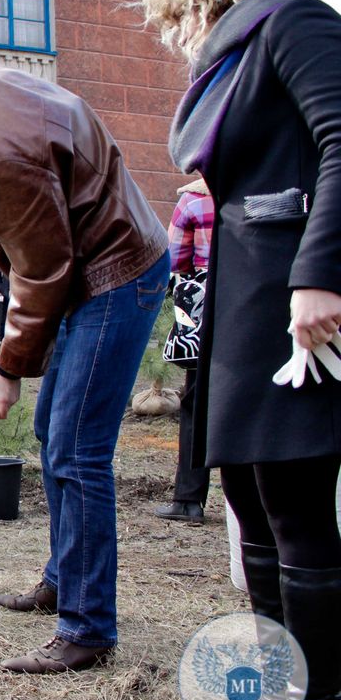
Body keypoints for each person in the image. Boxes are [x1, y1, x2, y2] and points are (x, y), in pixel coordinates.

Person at [0, 35, 170, 674]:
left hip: (115, 272)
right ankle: (63, 579)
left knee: (77, 447)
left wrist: (10, 366)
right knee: (55, 433)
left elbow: (43, 272)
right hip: (92, 267)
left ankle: (87, 627)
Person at [142, 0, 341, 700]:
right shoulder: (230, 63)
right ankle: (278, 693)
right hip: (242, 300)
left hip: (295, 300)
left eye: (177, 17)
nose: (177, 36)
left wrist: (321, 276)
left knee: (295, 508)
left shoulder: (293, 24)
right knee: (251, 502)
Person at [153, 177, 214, 525]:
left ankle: (189, 500)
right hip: (256, 304)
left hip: (206, 311)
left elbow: (175, 259)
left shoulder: (193, 201)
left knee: (195, 403)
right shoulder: (255, 184)